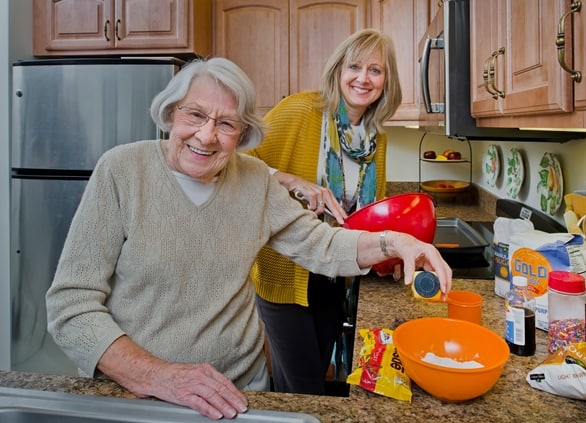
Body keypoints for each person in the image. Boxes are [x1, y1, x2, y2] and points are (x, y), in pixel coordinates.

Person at [45, 56, 452, 420]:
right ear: (170, 114)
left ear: (241, 135)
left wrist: (394, 242)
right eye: (195, 115)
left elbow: (324, 245)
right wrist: (158, 376)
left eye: (225, 124)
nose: (206, 136)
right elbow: (71, 307)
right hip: (134, 397)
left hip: (237, 395)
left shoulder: (254, 180)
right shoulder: (121, 170)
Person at [244, 29, 409, 395]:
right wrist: (293, 181)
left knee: (313, 378)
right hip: (286, 272)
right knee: (303, 390)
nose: (363, 78)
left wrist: (387, 254)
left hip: (336, 273)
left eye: (375, 70)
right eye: (354, 66)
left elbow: (366, 214)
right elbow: (240, 161)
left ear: (387, 81)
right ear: (338, 70)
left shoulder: (374, 137)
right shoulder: (303, 110)